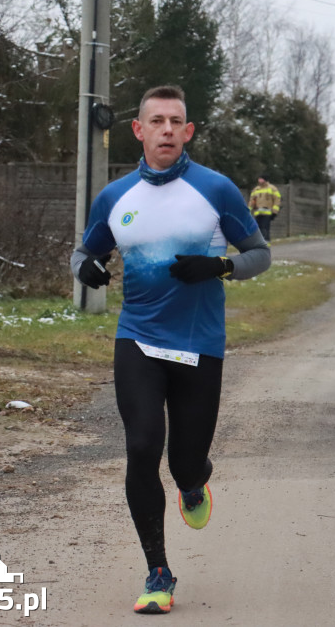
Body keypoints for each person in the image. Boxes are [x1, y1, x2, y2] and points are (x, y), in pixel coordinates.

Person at [70, 85, 270, 614]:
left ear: (188, 131)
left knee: (183, 461)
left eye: (174, 121)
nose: (165, 129)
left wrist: (221, 265)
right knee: (140, 448)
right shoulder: (115, 198)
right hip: (137, 339)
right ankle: (158, 569)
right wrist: (85, 268)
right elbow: (82, 252)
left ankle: (194, 481)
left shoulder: (217, 191)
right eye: (155, 120)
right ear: (138, 130)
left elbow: (260, 254)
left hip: (199, 345)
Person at [248, 175, 282, 243]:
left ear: (265, 180)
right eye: (259, 179)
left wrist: (274, 212)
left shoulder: (272, 188)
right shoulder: (256, 189)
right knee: (258, 230)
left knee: (265, 229)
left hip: (267, 213)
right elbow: (251, 201)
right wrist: (248, 212)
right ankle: (259, 244)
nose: (260, 181)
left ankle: (266, 245)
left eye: (261, 179)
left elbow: (277, 200)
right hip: (257, 213)